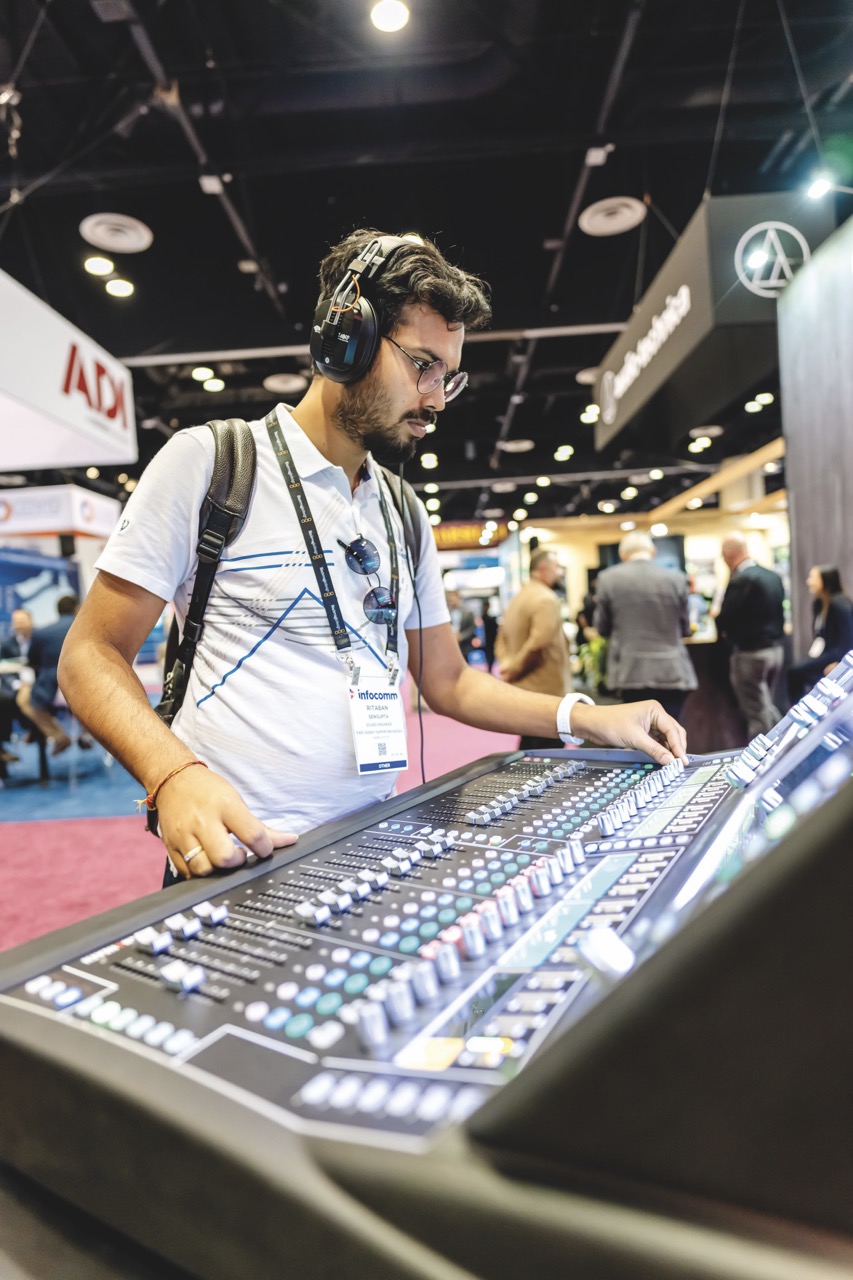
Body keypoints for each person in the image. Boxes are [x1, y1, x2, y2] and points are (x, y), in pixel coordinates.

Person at [58, 229, 686, 882]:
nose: (437, 398)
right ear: (344, 340)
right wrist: (175, 776)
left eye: (449, 375)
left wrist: (586, 717)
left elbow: (447, 682)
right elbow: (89, 656)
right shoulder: (212, 464)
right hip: (238, 857)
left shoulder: (403, 512)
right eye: (421, 365)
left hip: (375, 849)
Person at [593, 531, 697, 721]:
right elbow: (685, 628)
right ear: (653, 551)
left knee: (639, 735)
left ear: (623, 554)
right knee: (672, 732)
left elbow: (602, 628)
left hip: (631, 672)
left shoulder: (608, 579)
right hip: (672, 670)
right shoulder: (676, 578)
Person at [495, 549, 574, 750]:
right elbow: (539, 643)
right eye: (557, 568)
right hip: (546, 694)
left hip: (525, 691)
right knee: (548, 756)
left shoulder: (518, 597)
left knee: (530, 749)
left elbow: (501, 638)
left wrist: (508, 664)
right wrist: (514, 668)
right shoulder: (545, 598)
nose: (561, 573)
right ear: (542, 569)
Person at [715, 533, 785, 739]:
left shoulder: (741, 580)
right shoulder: (772, 575)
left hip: (750, 654)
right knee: (765, 705)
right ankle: (784, 744)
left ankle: (764, 760)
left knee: (757, 713)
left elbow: (725, 618)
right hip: (775, 650)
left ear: (729, 554)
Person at [16, 595, 79, 755]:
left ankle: (58, 736)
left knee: (27, 701)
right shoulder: (85, 626)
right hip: (85, 683)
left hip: (50, 686)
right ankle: (82, 736)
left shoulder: (43, 633)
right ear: (77, 608)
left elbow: (32, 661)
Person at [787, 565, 853, 702]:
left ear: (825, 580)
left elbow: (848, 638)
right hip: (824, 652)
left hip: (836, 654)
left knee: (795, 672)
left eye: (813, 578)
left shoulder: (840, 605)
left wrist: (838, 663)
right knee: (797, 670)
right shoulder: (819, 604)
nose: (808, 582)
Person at [0, 608, 34, 763]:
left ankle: (34, 730)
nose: (19, 625)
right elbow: (4, 670)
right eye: (16, 622)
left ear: (31, 621)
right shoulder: (6, 644)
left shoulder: (40, 638)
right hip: (16, 685)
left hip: (38, 683)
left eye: (22, 621)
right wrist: (15, 684)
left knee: (27, 699)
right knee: (5, 699)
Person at [445, 589, 477, 662]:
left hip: (464, 646)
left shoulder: (468, 613)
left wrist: (461, 637)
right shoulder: (445, 615)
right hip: (449, 646)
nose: (451, 601)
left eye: (453, 599)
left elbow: (472, 628)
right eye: (449, 599)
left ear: (458, 598)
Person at [480, 596, 499, 672]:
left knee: (490, 657)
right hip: (488, 640)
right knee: (489, 656)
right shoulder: (485, 617)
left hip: (490, 640)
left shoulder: (488, 617)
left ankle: (489, 669)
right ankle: (489, 669)